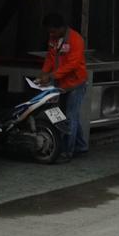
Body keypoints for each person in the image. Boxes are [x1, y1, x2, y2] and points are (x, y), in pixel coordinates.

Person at [37, 13, 88, 160]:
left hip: (76, 83)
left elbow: (72, 64)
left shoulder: (76, 40)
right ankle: (81, 146)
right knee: (70, 116)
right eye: (49, 32)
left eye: (53, 31)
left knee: (70, 118)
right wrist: (43, 73)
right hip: (62, 84)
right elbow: (50, 57)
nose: (51, 34)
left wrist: (51, 76)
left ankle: (67, 151)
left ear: (62, 28)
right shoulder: (53, 39)